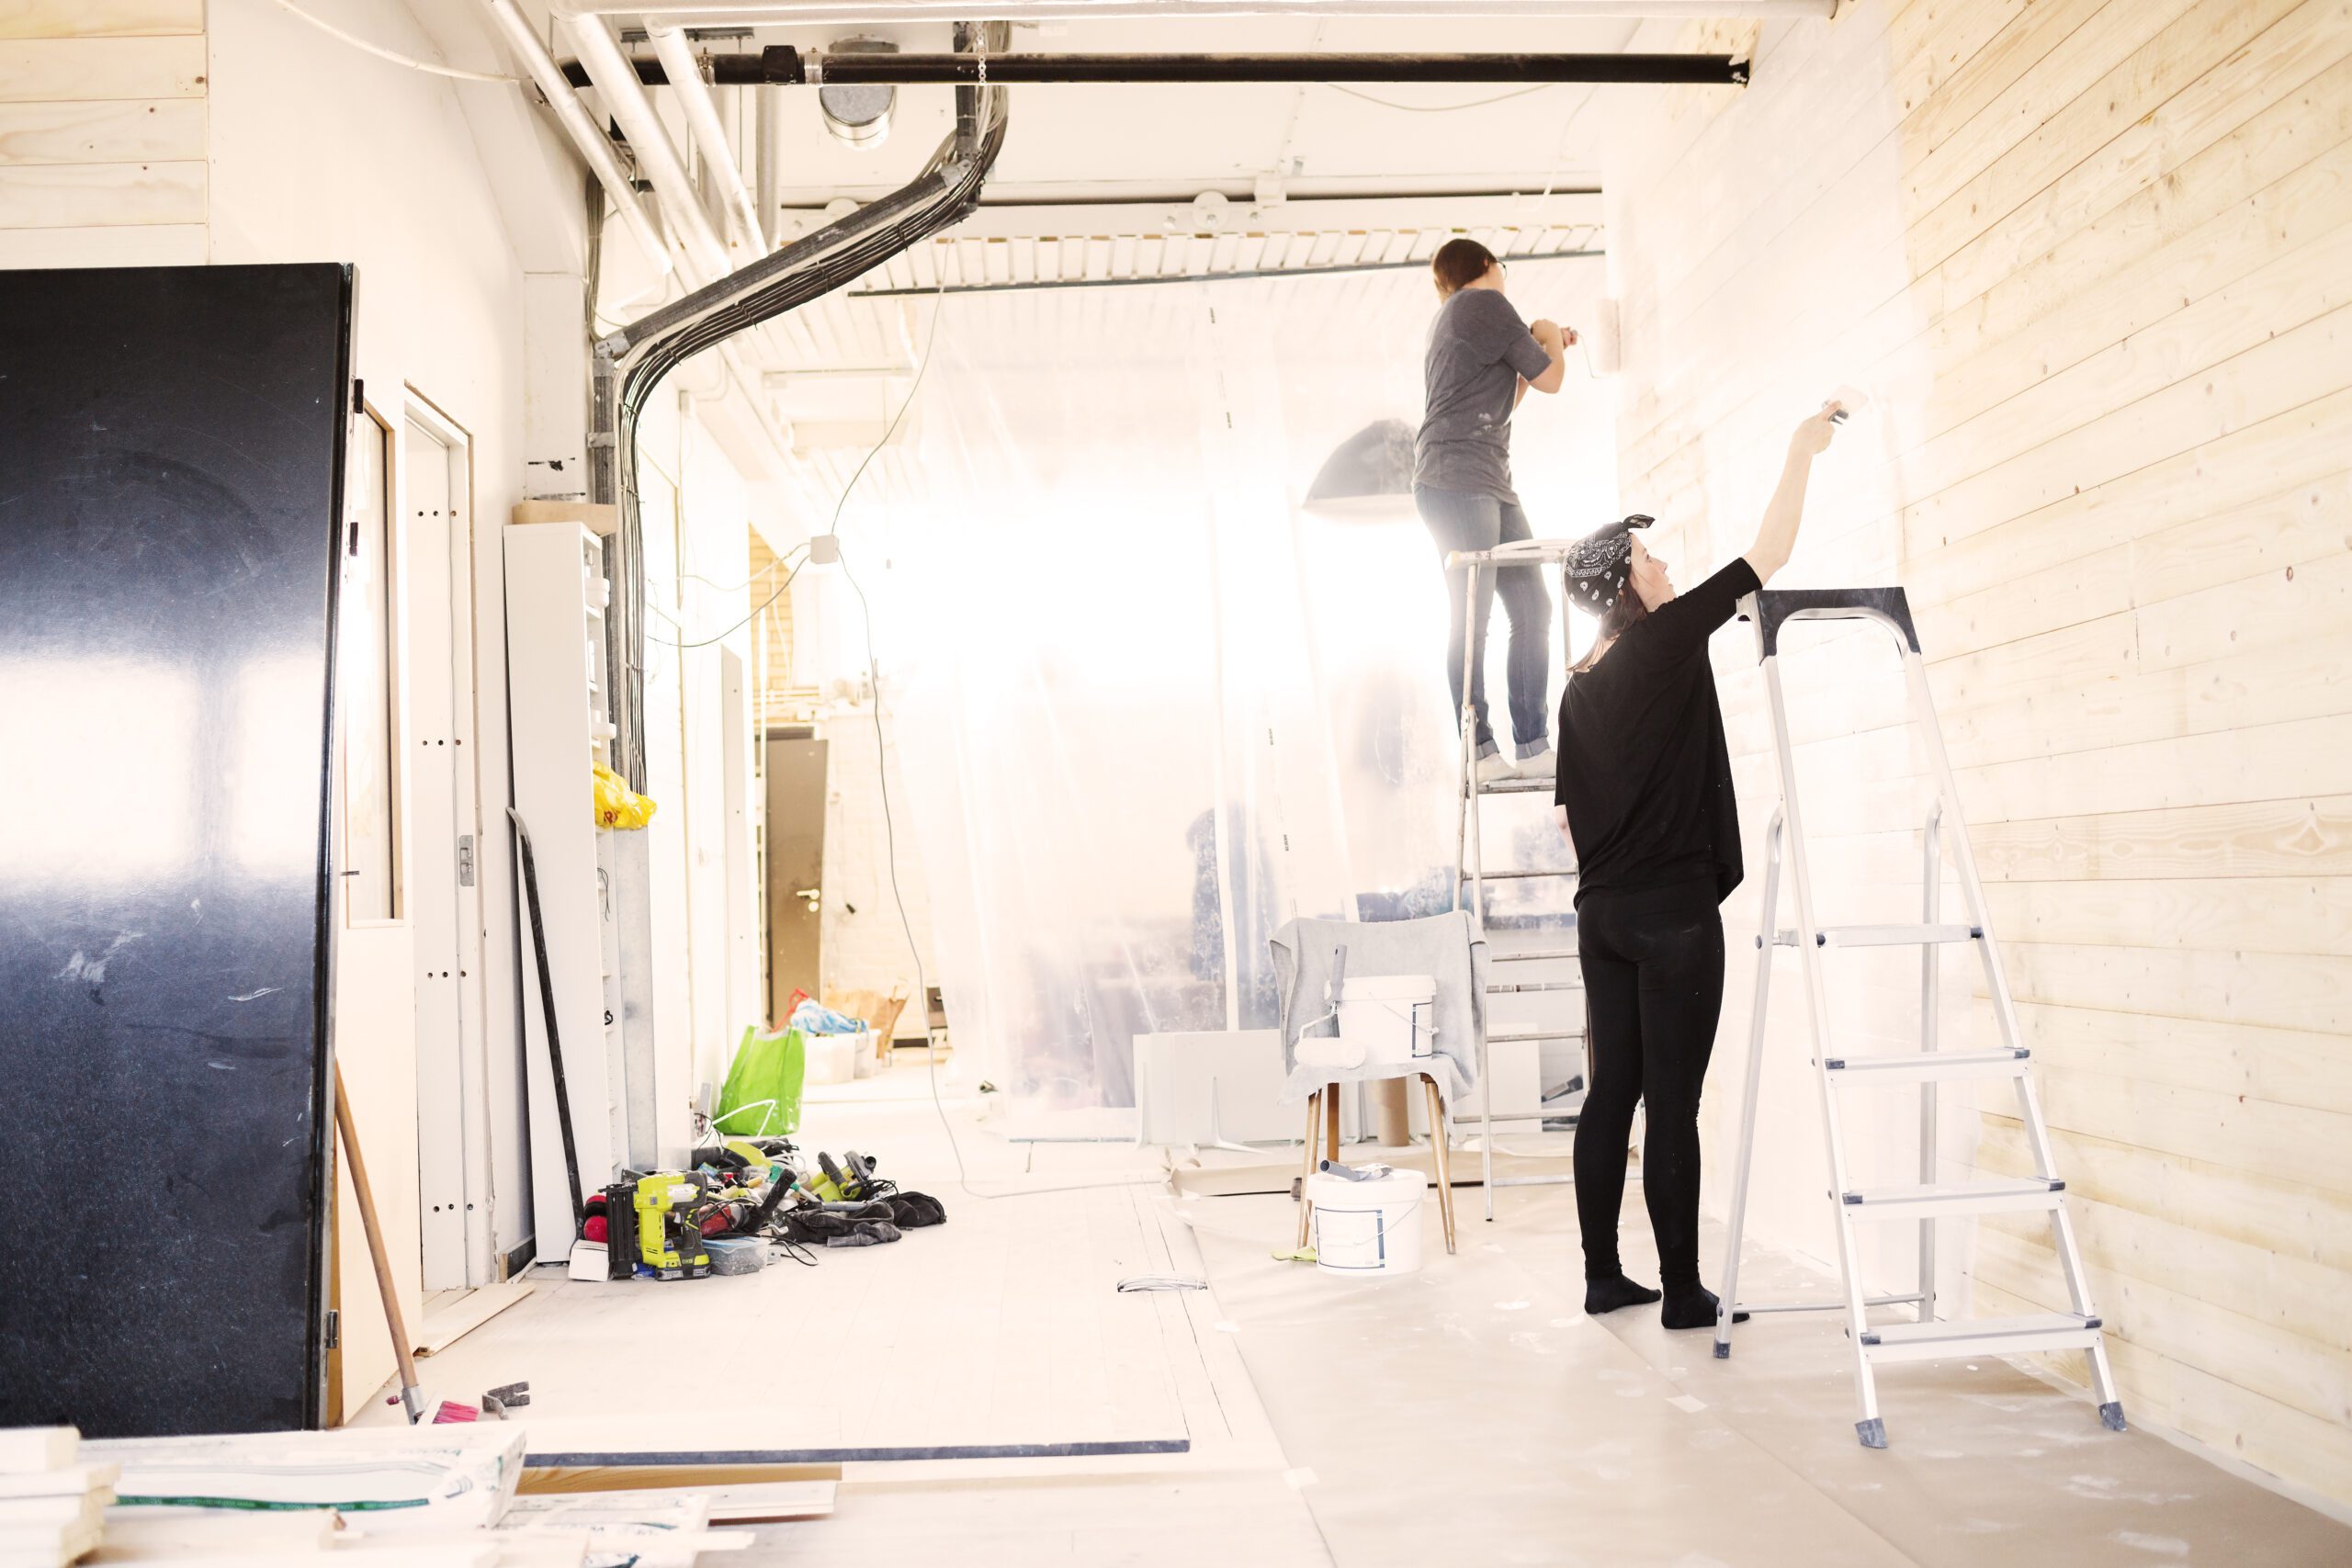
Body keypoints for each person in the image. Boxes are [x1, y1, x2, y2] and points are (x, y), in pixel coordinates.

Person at [1552, 400, 1844, 1330]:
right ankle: (1682, 1292)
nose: (1666, 567)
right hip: (1671, 915)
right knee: (1672, 1105)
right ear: (1624, 585)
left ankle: (1604, 1275)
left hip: (1602, 915)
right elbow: (1769, 554)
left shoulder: (1579, 685)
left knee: (1614, 1096)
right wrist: (1800, 449)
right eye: (1649, 560)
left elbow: (1569, 823)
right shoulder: (1659, 644)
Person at [1414, 239, 1576, 786]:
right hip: (1458, 478)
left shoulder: (1458, 317)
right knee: (1474, 614)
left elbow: (1512, 395)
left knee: (1532, 605)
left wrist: (1545, 347)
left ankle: (1531, 744)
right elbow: (1552, 380)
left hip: (1485, 480)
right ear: (1486, 267)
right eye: (1502, 266)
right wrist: (1548, 329)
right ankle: (1479, 749)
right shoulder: (1484, 304)